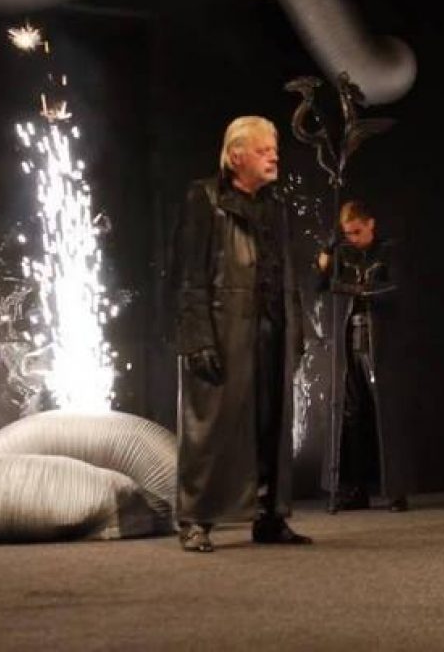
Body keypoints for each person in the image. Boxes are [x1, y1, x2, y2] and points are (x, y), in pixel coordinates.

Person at [174, 116, 311, 552]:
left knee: (271, 423)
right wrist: (197, 337)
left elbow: (287, 274)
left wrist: (296, 332)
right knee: (212, 426)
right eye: (263, 150)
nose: (274, 157)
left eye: (274, 149)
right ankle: (196, 518)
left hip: (270, 325)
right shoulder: (206, 198)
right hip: (224, 325)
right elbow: (189, 275)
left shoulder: (277, 206)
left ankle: (269, 516)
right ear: (236, 156)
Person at [317, 200, 411, 513]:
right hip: (351, 339)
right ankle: (355, 489)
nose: (353, 238)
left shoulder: (388, 250)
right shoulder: (345, 252)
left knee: (385, 413)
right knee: (352, 415)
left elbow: (395, 287)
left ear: (371, 223)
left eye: (357, 231)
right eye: (348, 233)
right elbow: (320, 282)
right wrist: (328, 250)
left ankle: (395, 491)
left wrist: (356, 290)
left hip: (380, 340)